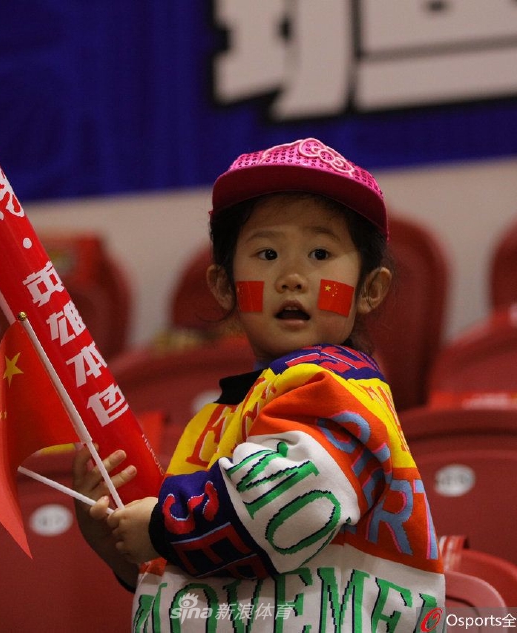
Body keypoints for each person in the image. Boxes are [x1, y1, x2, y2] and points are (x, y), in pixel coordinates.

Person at [74, 137, 445, 632]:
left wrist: (162, 528)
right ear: (224, 286)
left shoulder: (339, 389)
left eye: (320, 253)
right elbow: (213, 572)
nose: (291, 276)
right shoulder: (225, 413)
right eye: (267, 253)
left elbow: (283, 510)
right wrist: (124, 552)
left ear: (370, 290)